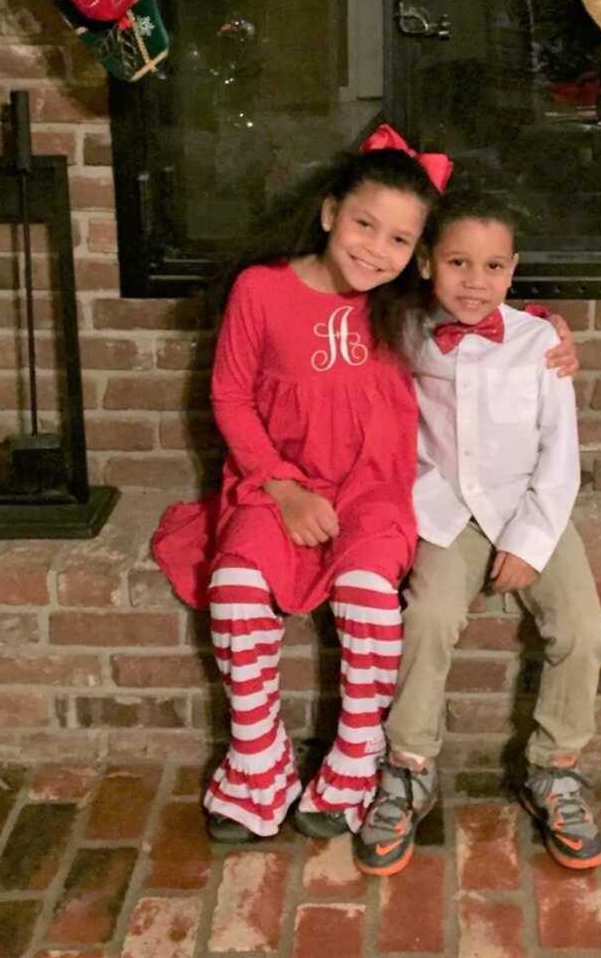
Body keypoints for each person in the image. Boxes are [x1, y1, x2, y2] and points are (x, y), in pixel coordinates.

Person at [152, 124, 449, 844]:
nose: (376, 249)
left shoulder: (406, 306)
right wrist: (281, 487)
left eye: (399, 241)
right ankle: (259, 758)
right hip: (274, 478)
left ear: (417, 254)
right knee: (234, 586)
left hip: (373, 489)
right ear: (327, 213)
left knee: (370, 593)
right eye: (363, 224)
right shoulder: (262, 290)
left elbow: (488, 305)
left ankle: (356, 753)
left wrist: (549, 330)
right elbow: (229, 398)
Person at [354, 186, 601, 877]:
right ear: (428, 263)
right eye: (459, 263)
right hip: (442, 509)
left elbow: (561, 456)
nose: (476, 282)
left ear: (514, 269)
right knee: (428, 616)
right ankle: (409, 764)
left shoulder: (539, 344)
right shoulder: (402, 329)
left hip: (528, 505)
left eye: (493, 267)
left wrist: (528, 544)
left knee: (584, 629)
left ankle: (554, 767)